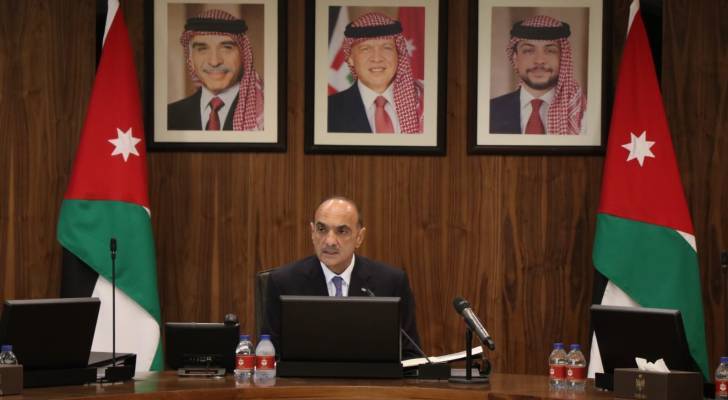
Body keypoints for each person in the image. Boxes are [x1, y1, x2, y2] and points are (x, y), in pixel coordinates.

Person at [263, 197, 422, 359]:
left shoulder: (391, 283)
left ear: (359, 237)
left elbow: (410, 355)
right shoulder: (283, 283)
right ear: (312, 233)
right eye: (321, 229)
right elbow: (269, 356)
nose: (330, 241)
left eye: (342, 231)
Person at [168, 9, 263, 131]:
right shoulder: (169, 116)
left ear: (244, 56)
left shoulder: (265, 114)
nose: (214, 62)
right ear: (190, 59)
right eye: (202, 49)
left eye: (226, 48)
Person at [328, 12, 424, 134]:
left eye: (387, 47)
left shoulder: (425, 103)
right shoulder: (328, 110)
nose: (377, 58)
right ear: (350, 58)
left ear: (398, 54)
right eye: (366, 49)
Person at [490, 15, 586, 135]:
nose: (539, 60)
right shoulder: (489, 111)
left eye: (550, 51)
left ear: (563, 58)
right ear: (515, 59)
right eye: (528, 51)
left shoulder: (582, 113)